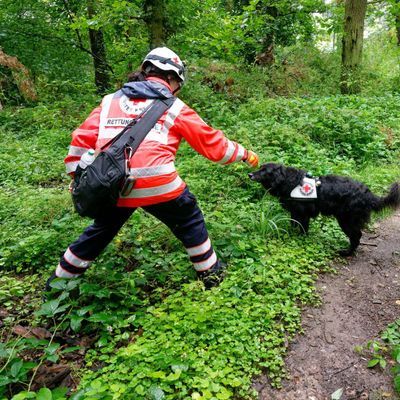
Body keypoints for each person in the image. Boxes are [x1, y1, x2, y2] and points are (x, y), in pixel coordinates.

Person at [46, 47, 259, 291]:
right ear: (173, 78)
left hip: (113, 183)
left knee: (100, 230)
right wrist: (244, 154)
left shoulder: (109, 102)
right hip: (159, 184)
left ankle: (58, 286)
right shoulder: (175, 107)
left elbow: (80, 141)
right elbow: (213, 144)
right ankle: (211, 275)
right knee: (189, 219)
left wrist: (77, 177)